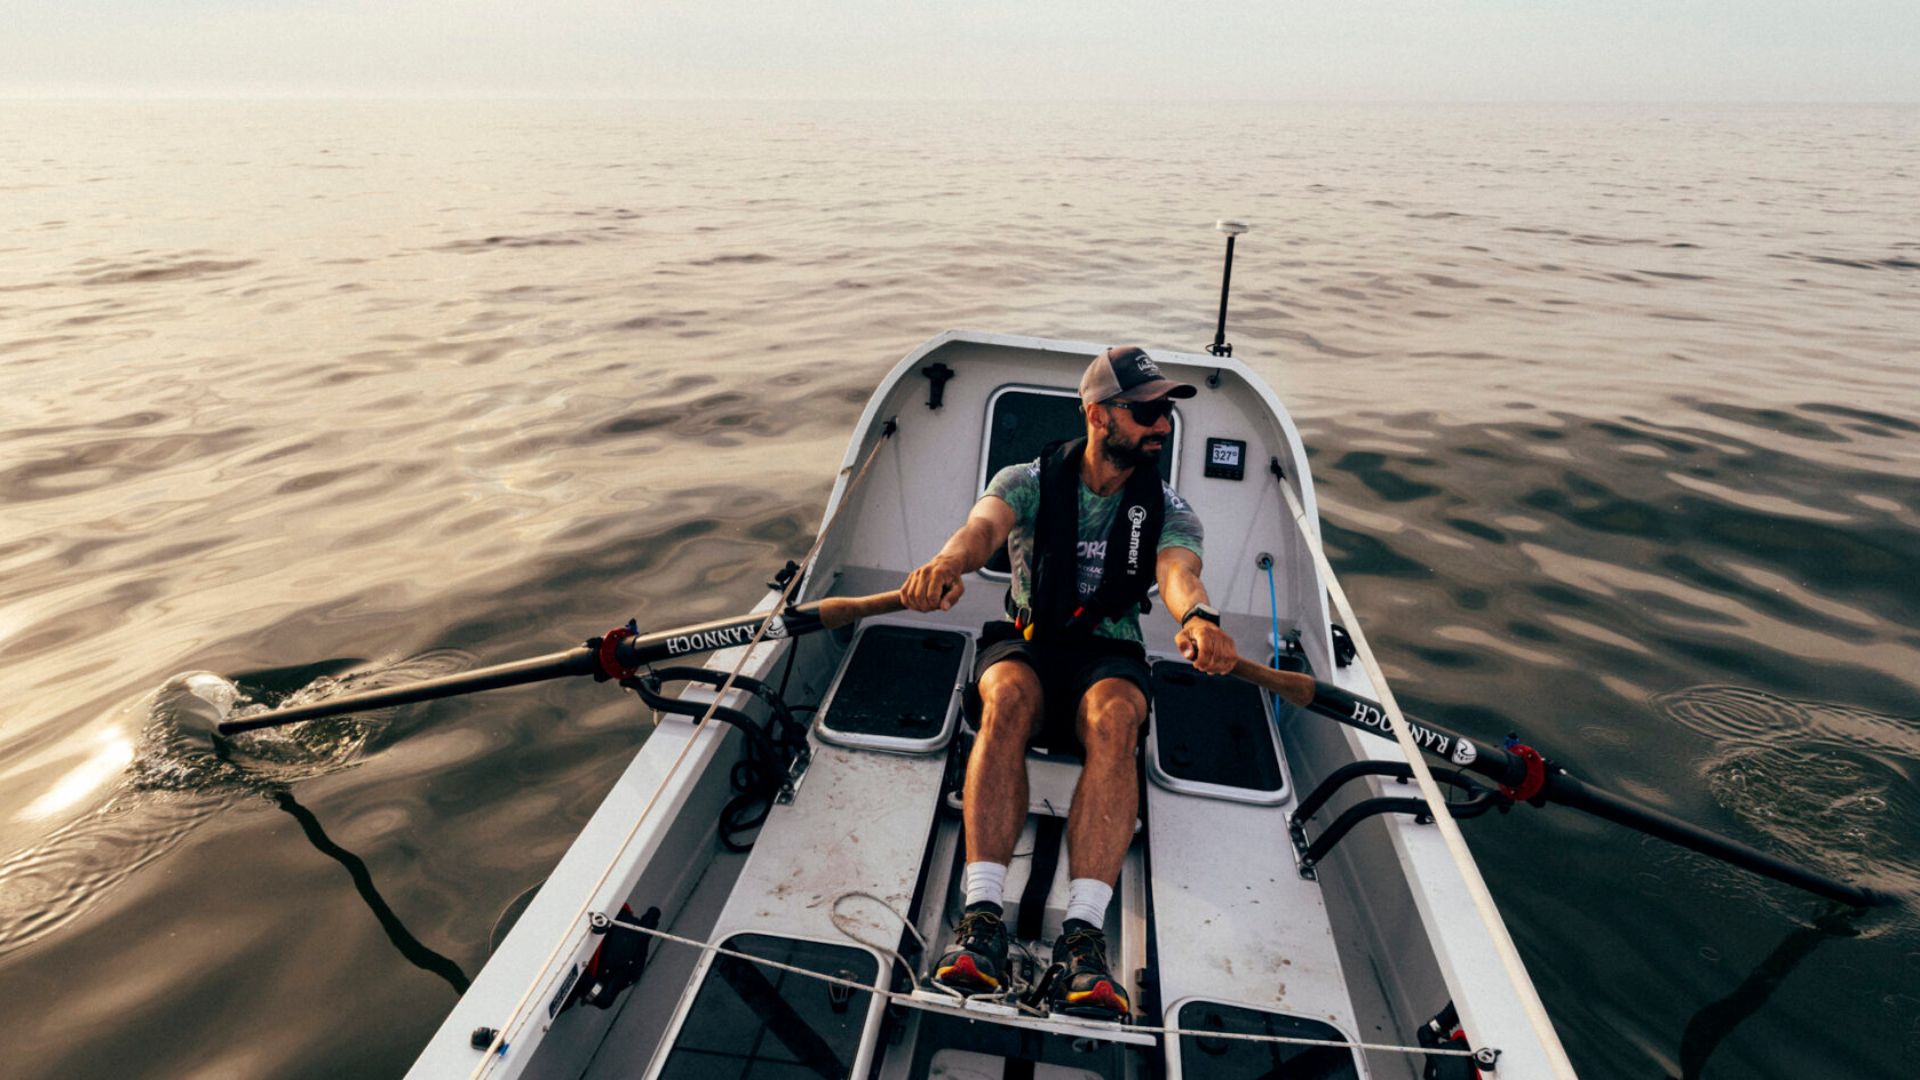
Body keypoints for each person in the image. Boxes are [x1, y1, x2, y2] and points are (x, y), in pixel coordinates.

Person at [900, 345, 1240, 1020]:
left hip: (1105, 654)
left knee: (1118, 719)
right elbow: (981, 529)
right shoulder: (1027, 479)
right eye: (1146, 412)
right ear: (1098, 414)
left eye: (1166, 413)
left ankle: (1084, 937)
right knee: (1004, 698)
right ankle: (980, 920)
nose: (1162, 427)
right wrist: (946, 563)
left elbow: (1178, 575)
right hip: (1025, 642)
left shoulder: (1171, 510)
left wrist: (1199, 618)